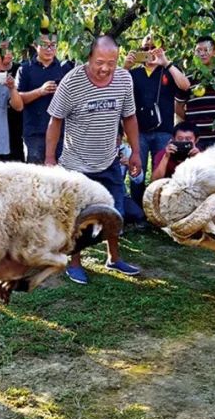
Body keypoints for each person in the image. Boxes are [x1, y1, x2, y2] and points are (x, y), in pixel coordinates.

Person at [46, 34, 144, 284]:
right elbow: (55, 120)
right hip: (76, 164)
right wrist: (49, 159)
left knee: (115, 214)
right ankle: (74, 262)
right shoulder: (72, 82)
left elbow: (129, 117)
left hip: (109, 161)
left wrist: (136, 152)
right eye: (100, 61)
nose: (105, 68)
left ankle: (113, 257)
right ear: (89, 57)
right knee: (79, 218)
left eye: (111, 62)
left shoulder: (124, 79)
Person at [124, 33, 191, 201]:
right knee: (136, 170)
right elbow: (114, 86)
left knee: (161, 169)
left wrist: (166, 62)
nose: (149, 51)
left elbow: (185, 86)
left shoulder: (167, 71)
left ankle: (160, 206)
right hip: (138, 131)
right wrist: (126, 66)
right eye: (145, 49)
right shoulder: (135, 73)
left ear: (161, 49)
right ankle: (138, 209)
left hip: (164, 130)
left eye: (153, 47)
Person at [16, 31, 74, 163]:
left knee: (60, 178)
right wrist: (40, 91)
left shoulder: (65, 68)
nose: (49, 49)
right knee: (36, 177)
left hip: (61, 133)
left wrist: (62, 93)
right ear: (35, 45)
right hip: (35, 132)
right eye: (45, 45)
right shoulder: (25, 69)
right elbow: (17, 100)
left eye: (53, 45)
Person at [174, 35, 215, 149]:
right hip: (196, 139)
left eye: (206, 50)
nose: (202, 54)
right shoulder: (187, 78)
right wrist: (192, 121)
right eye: (198, 51)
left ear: (214, 52)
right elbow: (178, 107)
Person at [3, 42, 26, 161]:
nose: (7, 53)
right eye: (3, 49)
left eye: (9, 49)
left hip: (17, 123)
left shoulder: (20, 69)